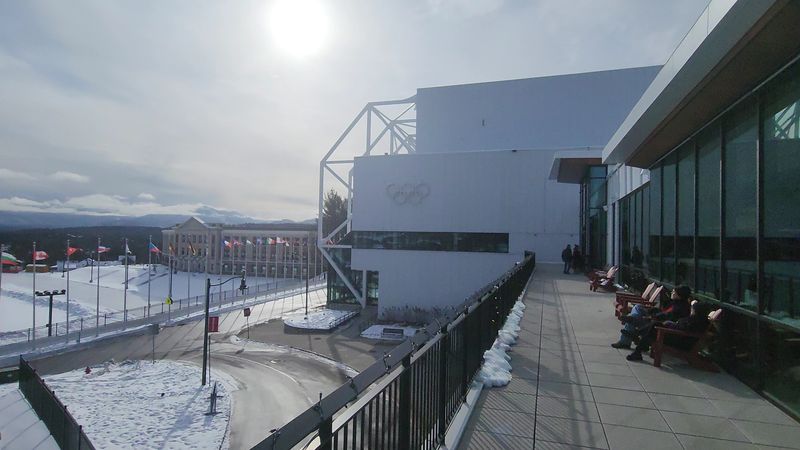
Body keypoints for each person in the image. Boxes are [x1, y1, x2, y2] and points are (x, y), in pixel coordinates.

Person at [611, 285, 692, 349]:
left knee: (633, 318)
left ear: (680, 295)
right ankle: (633, 320)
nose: (672, 293)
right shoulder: (675, 303)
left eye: (674, 292)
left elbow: (665, 317)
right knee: (638, 307)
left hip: (654, 326)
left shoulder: (681, 308)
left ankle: (625, 341)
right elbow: (661, 311)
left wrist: (650, 317)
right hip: (654, 319)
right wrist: (650, 311)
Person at [626, 301, 712, 361]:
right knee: (655, 326)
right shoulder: (698, 320)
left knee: (655, 326)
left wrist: (670, 325)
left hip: (679, 341)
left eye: (693, 309)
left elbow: (683, 329)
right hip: (677, 337)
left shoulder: (697, 321)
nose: (691, 310)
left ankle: (637, 336)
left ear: (697, 311)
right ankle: (638, 345)